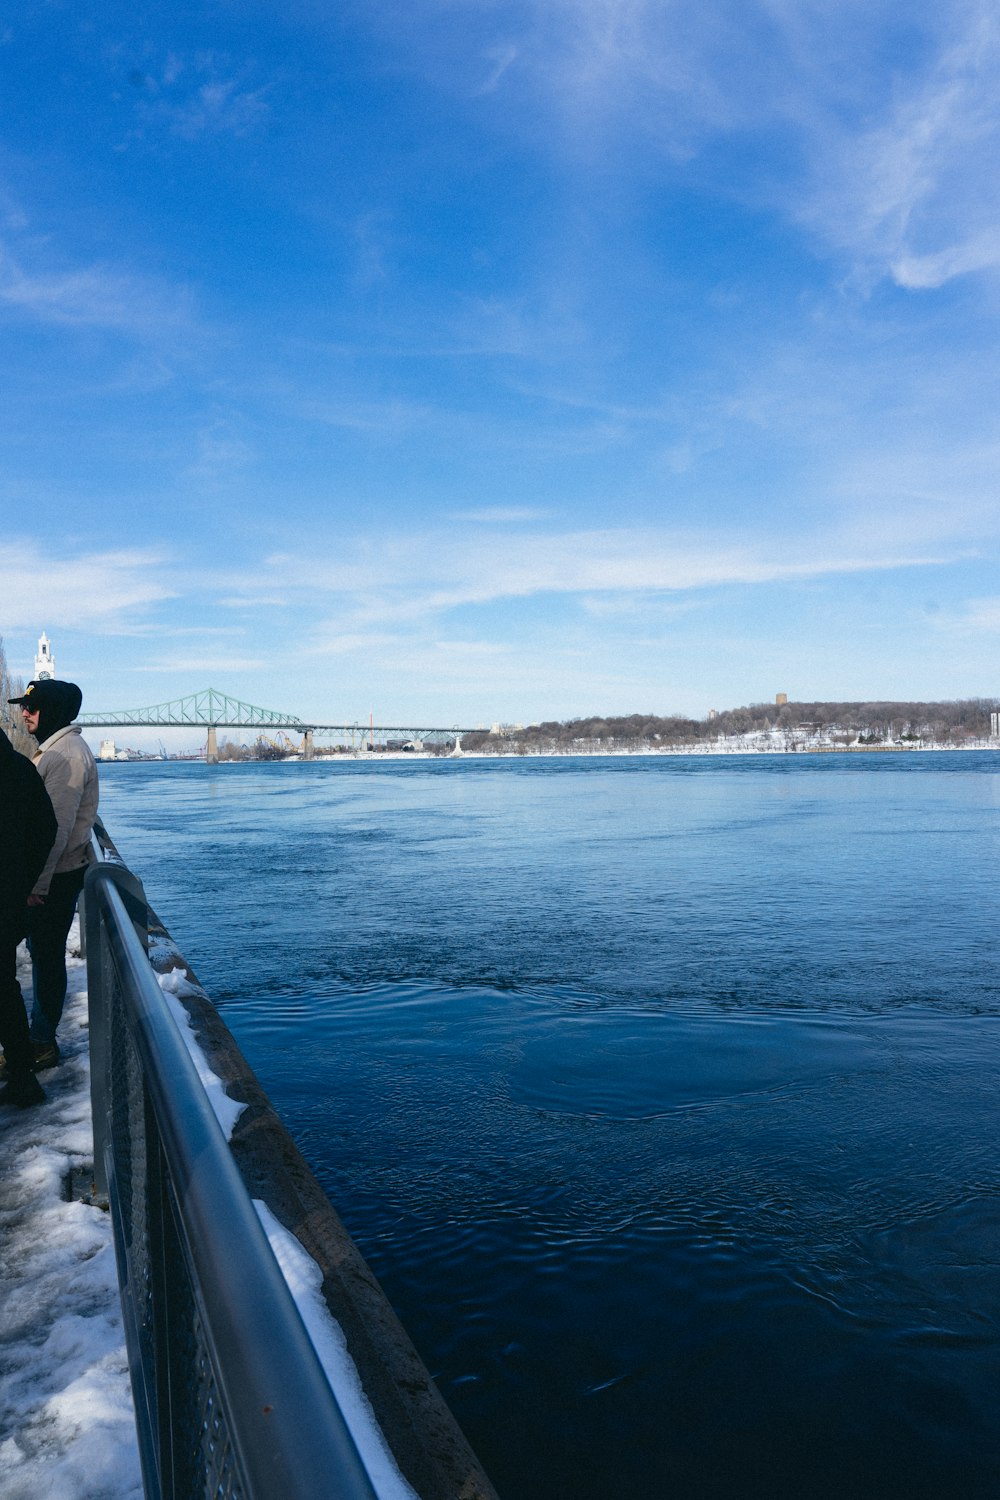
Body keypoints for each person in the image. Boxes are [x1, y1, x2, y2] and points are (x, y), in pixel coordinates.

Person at [8, 679, 99, 1068]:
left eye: (33, 706)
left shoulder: (66, 756)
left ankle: (41, 1042)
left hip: (53, 879)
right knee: (40, 955)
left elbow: (56, 831)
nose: (24, 712)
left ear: (54, 711)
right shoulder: (56, 750)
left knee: (45, 960)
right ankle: (34, 1038)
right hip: (50, 876)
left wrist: (37, 885)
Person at [0, 728, 57, 1106]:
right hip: (7, 902)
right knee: (5, 989)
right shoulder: (19, 767)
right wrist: (20, 882)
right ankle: (22, 1077)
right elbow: (47, 829)